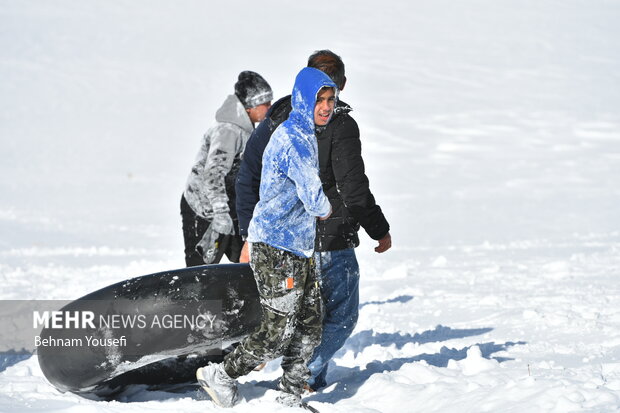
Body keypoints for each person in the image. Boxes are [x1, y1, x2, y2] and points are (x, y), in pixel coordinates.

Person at [235, 50, 392, 391]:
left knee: (307, 320)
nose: (326, 104)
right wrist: (379, 228)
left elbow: (248, 174)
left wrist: (250, 233)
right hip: (327, 241)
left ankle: (307, 380)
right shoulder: (335, 124)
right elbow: (353, 187)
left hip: (285, 241)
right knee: (342, 317)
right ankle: (301, 377)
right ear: (343, 84)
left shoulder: (280, 117)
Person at [195, 67, 336, 409]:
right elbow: (314, 198)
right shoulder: (294, 139)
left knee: (310, 322)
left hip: (298, 246)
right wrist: (326, 208)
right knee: (276, 332)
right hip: (276, 246)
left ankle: (289, 394)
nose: (327, 106)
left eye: (331, 100)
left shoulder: (304, 133)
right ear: (304, 99)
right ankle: (221, 375)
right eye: (320, 99)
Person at [180, 71, 272, 266]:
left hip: (230, 208)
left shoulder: (246, 129)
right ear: (251, 106)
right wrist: (220, 212)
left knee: (246, 260)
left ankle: (240, 295)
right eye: (266, 104)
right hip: (205, 210)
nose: (270, 108)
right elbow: (213, 174)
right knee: (201, 268)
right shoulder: (228, 130)